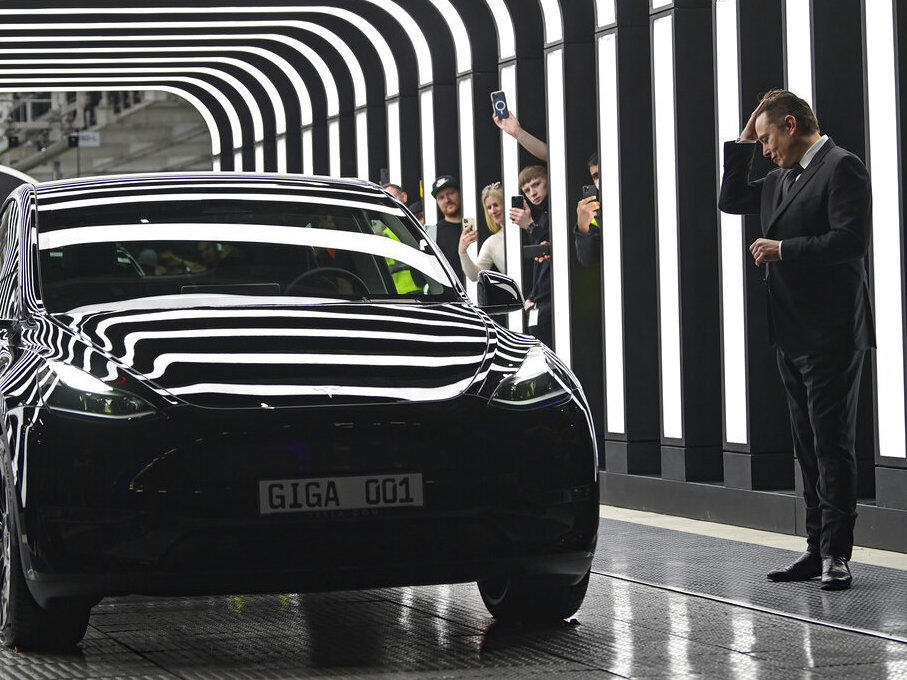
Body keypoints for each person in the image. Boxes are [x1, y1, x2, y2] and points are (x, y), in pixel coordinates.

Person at [718, 89, 874, 591]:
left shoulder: (841, 166)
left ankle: (837, 555)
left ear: (790, 125)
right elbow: (729, 199)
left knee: (831, 443)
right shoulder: (779, 177)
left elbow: (851, 240)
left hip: (831, 331)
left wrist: (783, 249)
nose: (765, 151)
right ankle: (814, 548)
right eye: (758, 143)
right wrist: (743, 138)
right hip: (789, 330)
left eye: (767, 139)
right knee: (806, 444)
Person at [510, 165, 551, 346]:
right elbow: (539, 264)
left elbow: (551, 249)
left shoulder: (553, 214)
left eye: (537, 184)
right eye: (527, 190)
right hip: (539, 300)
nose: (533, 193)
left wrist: (529, 225)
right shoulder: (541, 217)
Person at [458, 182, 506, 281]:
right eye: (489, 207)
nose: (493, 211)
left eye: (496, 205)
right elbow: (475, 276)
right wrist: (462, 251)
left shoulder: (525, 228)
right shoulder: (492, 242)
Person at [427, 174, 466, 284]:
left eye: (451, 193)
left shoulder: (478, 224)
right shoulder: (433, 234)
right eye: (441, 198)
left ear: (459, 193)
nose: (447, 200)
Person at [575, 153, 603, 267]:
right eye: (596, 176)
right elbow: (588, 259)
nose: (599, 180)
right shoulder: (595, 210)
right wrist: (582, 227)